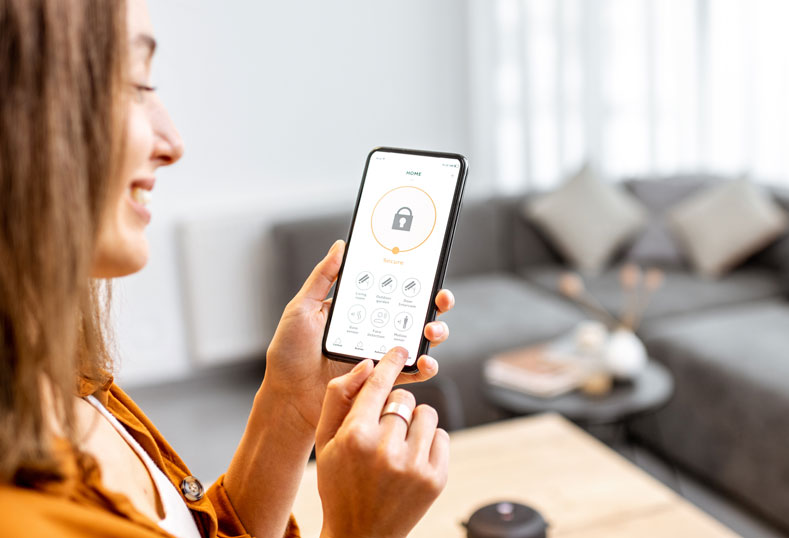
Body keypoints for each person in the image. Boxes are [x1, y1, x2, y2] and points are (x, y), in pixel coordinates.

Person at [0, 1, 455, 536]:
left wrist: (289, 405)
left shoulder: (61, 378)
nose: (173, 143)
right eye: (135, 85)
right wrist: (358, 528)